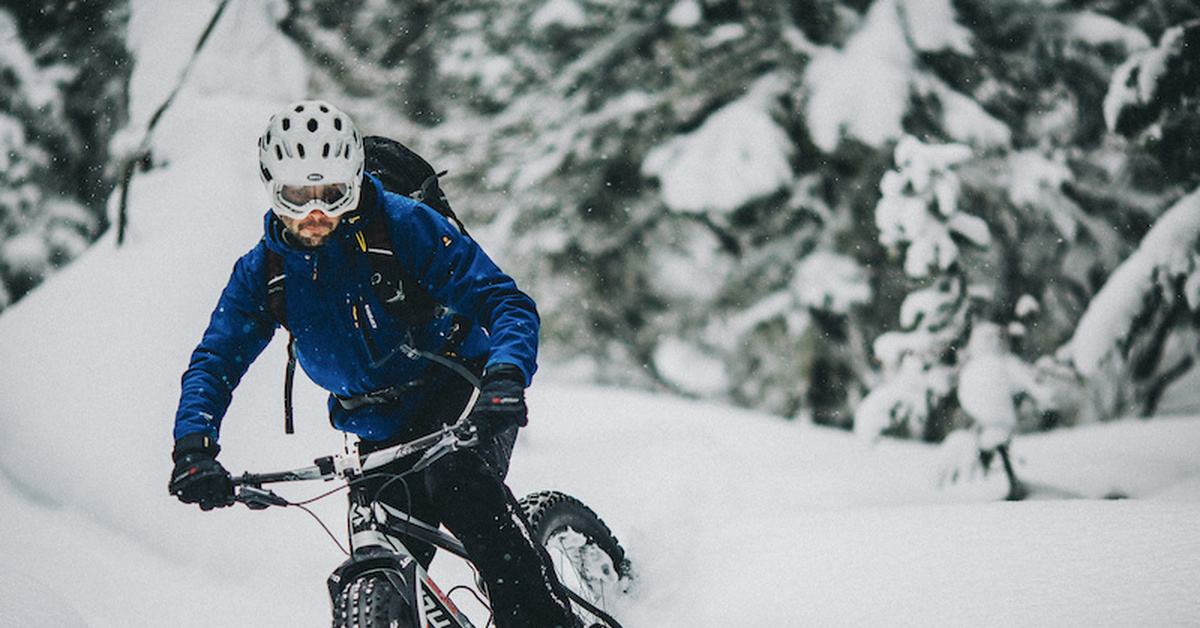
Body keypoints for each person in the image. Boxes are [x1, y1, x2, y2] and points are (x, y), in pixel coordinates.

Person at [168, 100, 579, 628]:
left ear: (356, 182)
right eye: (297, 197)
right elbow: (216, 359)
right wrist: (194, 444)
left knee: (461, 487)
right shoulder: (264, 269)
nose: (315, 215)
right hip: (371, 427)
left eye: (332, 195)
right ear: (273, 189)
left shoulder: (404, 227)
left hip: (457, 389)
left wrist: (505, 378)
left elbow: (505, 303)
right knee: (379, 570)